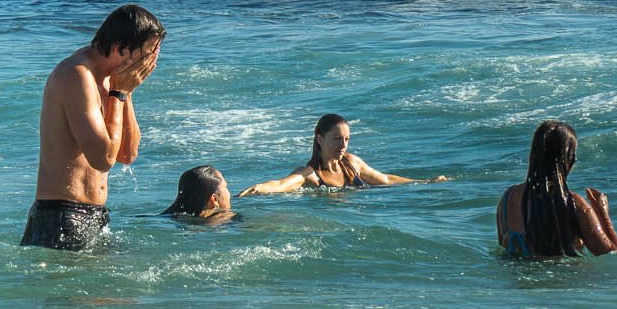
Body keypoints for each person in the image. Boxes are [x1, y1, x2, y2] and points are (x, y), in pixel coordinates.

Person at [21, 3, 164, 251]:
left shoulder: (112, 79)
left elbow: (127, 154)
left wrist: (125, 93)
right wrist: (119, 92)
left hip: (94, 214)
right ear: (120, 48)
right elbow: (103, 158)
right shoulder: (77, 74)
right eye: (147, 54)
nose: (150, 63)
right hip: (62, 216)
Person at [496, 119, 617, 259]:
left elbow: (503, 245)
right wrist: (602, 213)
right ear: (569, 158)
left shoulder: (507, 199)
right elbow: (613, 256)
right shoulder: (575, 205)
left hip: (519, 278)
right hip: (568, 278)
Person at [240, 113, 439, 197]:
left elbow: (385, 179)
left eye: (346, 139)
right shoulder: (311, 175)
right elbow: (282, 184)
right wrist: (260, 188)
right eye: (336, 139)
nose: (342, 145)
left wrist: (423, 182)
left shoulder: (352, 163)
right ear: (319, 139)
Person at [164, 165, 233, 224]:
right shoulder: (228, 219)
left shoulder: (170, 217)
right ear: (214, 199)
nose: (229, 193)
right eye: (226, 187)